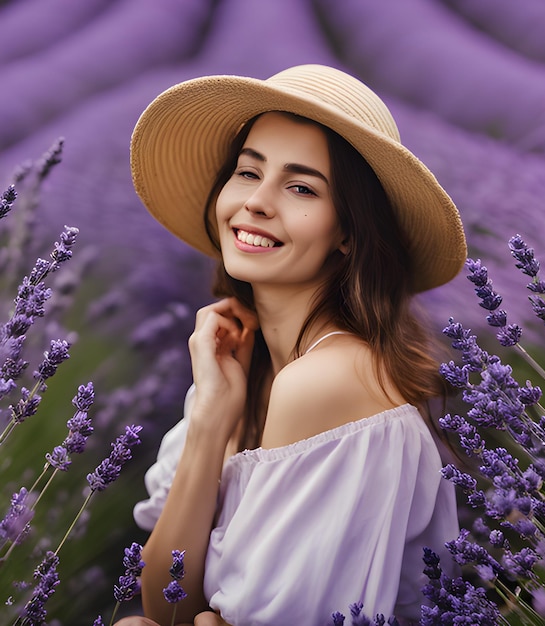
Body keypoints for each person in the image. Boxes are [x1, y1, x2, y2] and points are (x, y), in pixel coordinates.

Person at [117, 64, 466, 626]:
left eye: (301, 186)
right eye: (248, 172)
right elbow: (170, 606)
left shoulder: (328, 380)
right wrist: (211, 419)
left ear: (348, 232)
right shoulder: (248, 365)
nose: (257, 202)